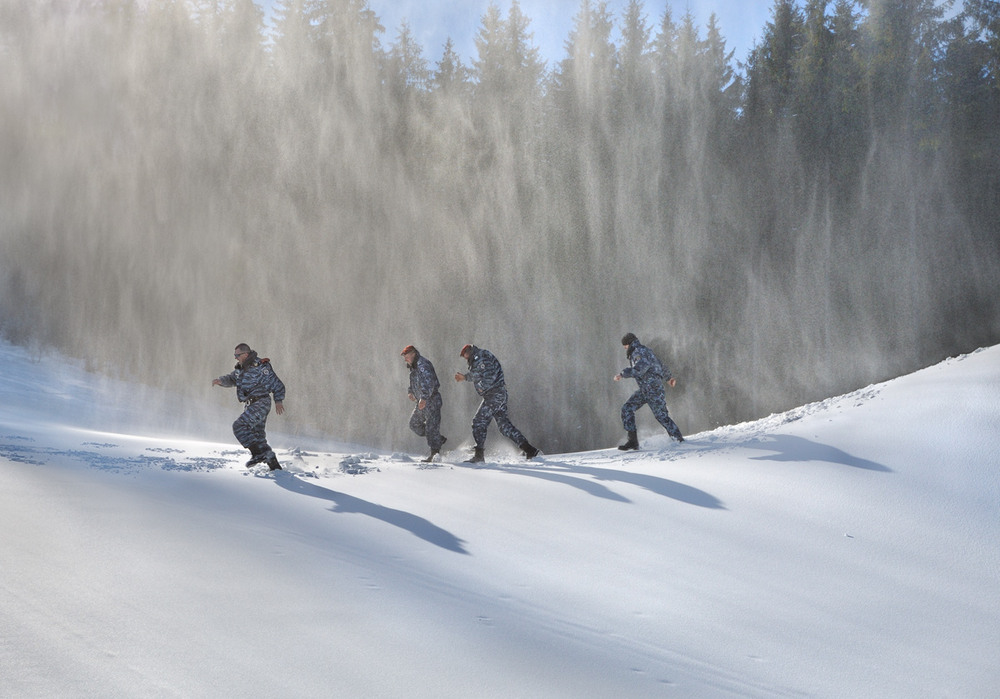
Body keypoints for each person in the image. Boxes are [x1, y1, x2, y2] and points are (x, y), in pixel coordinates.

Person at [454, 343, 539, 463]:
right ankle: (529, 449)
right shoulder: (481, 357)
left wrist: (466, 377)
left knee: (478, 422)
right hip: (498, 394)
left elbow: (486, 375)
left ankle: (479, 455)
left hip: (494, 395)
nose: (465, 358)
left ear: (469, 351)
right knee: (504, 427)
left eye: (465, 355)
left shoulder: (480, 357)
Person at [212, 343, 286, 470]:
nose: (235, 357)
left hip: (261, 402)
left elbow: (277, 384)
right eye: (234, 355)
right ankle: (275, 467)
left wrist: (278, 401)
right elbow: (232, 378)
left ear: (245, 354)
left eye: (237, 355)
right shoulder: (241, 368)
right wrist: (221, 381)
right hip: (251, 404)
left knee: (239, 426)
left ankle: (257, 454)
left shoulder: (260, 366)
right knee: (258, 437)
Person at [614, 332, 684, 450]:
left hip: (651, 389)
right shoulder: (646, 350)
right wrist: (669, 378)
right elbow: (660, 364)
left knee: (656, 414)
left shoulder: (637, 352)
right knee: (631, 409)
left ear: (629, 343)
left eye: (625, 346)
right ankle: (633, 441)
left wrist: (622, 374)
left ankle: (678, 439)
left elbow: (640, 369)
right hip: (650, 389)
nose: (625, 349)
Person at [401, 345, 447, 462]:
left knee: (432, 428)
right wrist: (410, 392)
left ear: (413, 354)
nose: (405, 359)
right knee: (414, 424)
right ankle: (437, 438)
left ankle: (434, 455)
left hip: (431, 401)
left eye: (406, 356)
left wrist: (424, 398)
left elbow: (429, 382)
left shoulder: (423, 365)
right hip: (421, 402)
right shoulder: (414, 367)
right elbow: (413, 383)